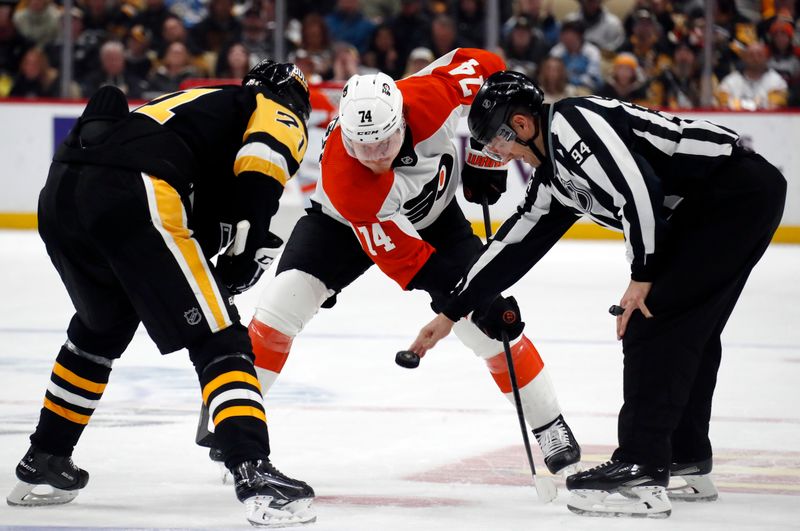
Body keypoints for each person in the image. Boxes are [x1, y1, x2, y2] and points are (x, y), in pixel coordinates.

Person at [411, 70, 786, 518]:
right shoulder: (553, 177)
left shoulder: (573, 123)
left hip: (732, 194)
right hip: (720, 204)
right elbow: (515, 244)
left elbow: (638, 189)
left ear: (524, 125)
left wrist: (642, 275)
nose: (499, 153)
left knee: (651, 320)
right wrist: (453, 312)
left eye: (498, 142)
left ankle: (642, 465)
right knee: (689, 331)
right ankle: (684, 454)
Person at [198, 48, 582, 479]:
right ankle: (234, 419)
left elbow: (491, 69)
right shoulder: (350, 182)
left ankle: (550, 423)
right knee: (278, 311)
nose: (377, 155)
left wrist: (483, 154)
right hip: (341, 225)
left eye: (384, 140)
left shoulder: (431, 95)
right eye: (363, 146)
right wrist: (473, 298)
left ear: (401, 117)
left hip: (438, 220)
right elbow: (416, 264)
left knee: (489, 333)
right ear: (345, 136)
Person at [6, 60, 317, 528]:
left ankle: (45, 458)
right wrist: (242, 251)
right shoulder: (273, 106)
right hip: (135, 189)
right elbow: (261, 164)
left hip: (62, 193)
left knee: (99, 331)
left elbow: (198, 203)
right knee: (220, 339)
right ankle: (253, 471)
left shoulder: (200, 106)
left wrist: (227, 251)